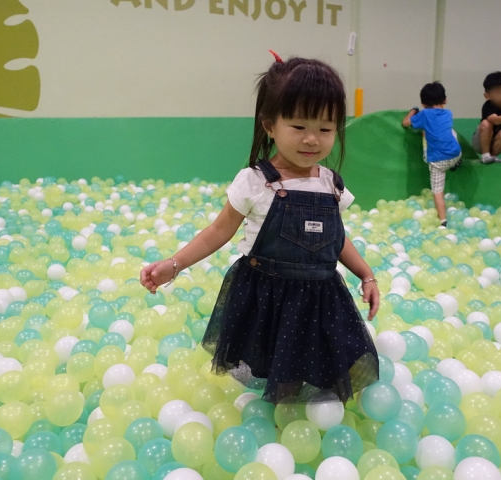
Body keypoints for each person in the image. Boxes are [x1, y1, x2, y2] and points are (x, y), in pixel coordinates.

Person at [140, 54, 379, 404]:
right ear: (270, 125)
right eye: (299, 127)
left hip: (320, 299)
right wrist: (172, 265)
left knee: (320, 368)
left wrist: (366, 275)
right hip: (269, 298)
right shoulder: (255, 182)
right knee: (279, 371)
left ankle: (310, 418)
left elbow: (336, 238)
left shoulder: (331, 184)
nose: (312, 140)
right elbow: (218, 232)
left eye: (325, 129)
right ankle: (282, 420)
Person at [402, 82, 462, 227]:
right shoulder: (448, 113)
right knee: (450, 132)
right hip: (455, 154)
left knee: (437, 191)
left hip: (437, 162)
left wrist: (412, 111)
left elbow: (405, 123)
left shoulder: (424, 115)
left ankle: (443, 221)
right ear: (445, 100)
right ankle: (457, 162)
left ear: (423, 103)